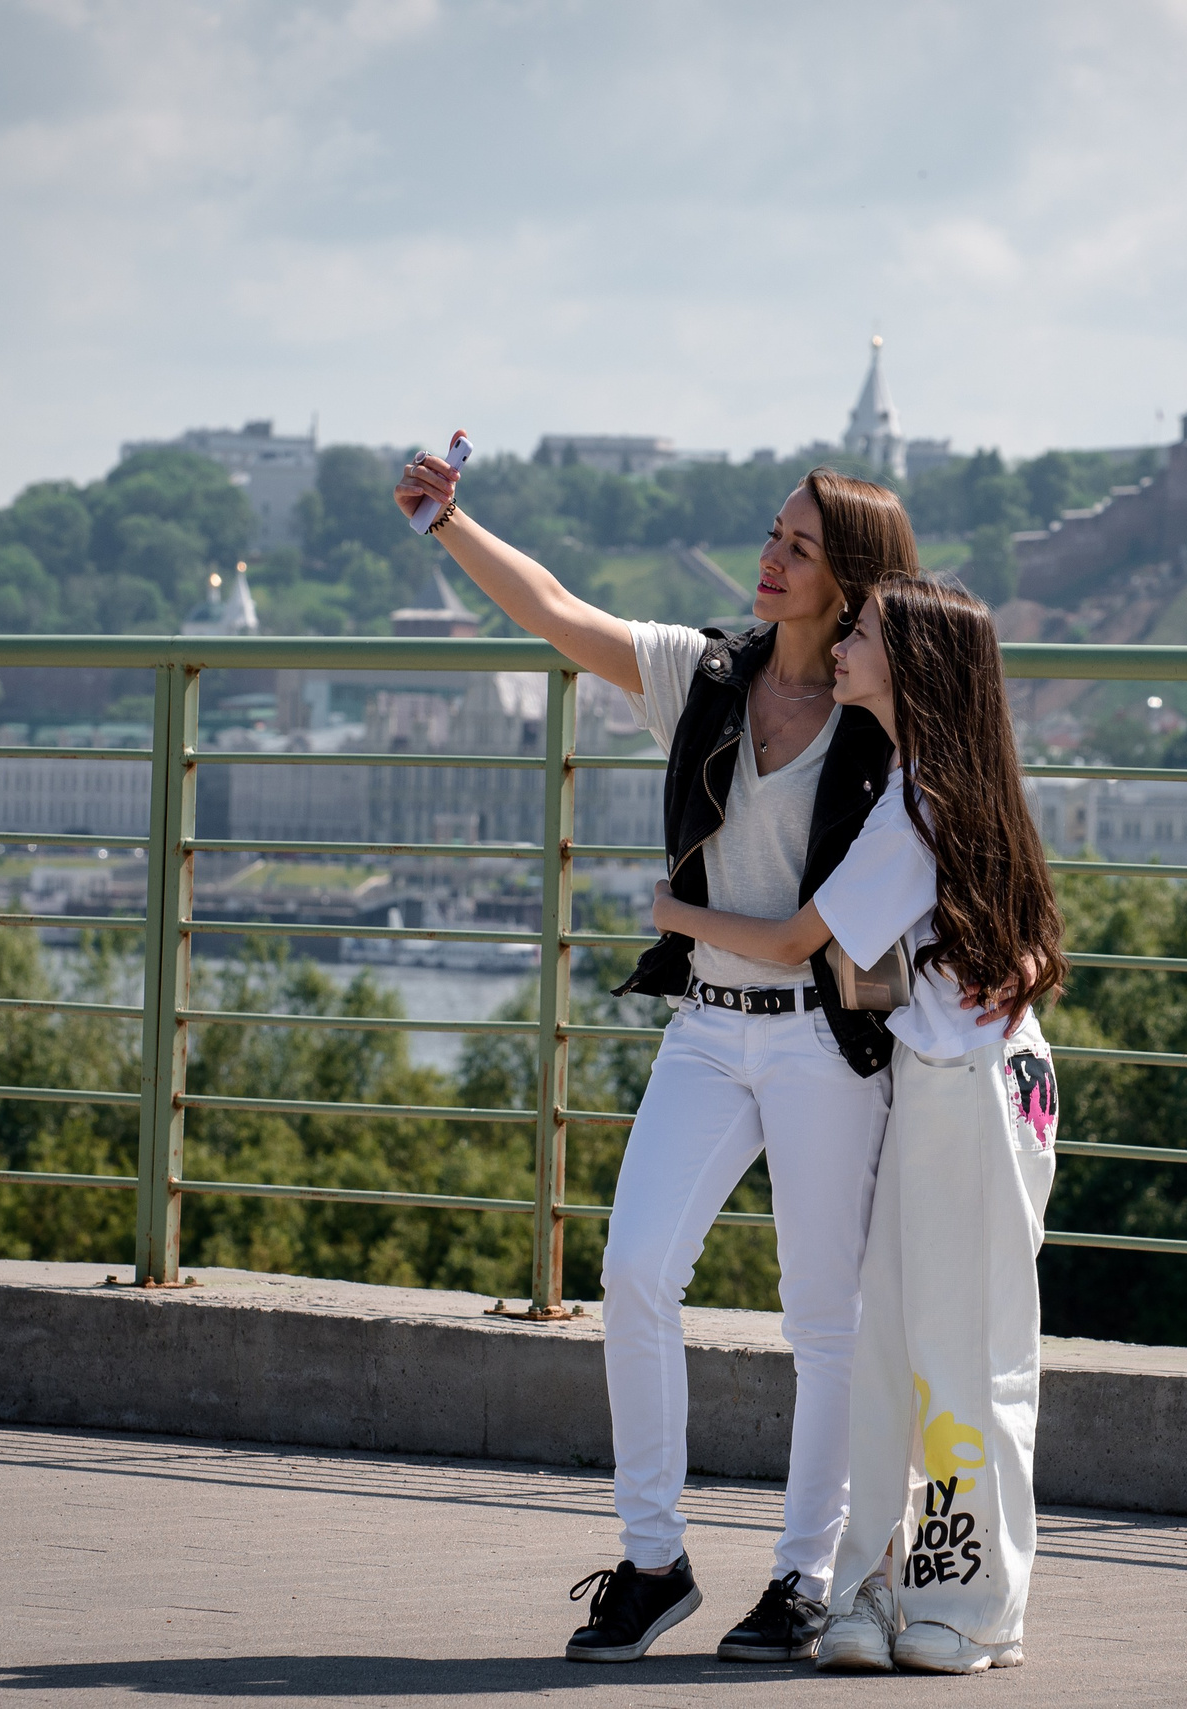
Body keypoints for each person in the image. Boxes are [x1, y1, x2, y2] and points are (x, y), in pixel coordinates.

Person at [393, 451, 1017, 1665]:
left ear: (852, 581)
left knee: (822, 1321)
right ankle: (652, 1559)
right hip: (707, 1028)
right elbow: (562, 614)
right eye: (771, 534)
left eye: (797, 545)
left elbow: (955, 822)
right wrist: (450, 525)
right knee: (631, 1270)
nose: (768, 559)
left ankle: (801, 1577)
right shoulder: (705, 675)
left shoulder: (881, 715)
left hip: (824, 1040)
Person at [649, 578, 1068, 1675]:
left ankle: (972, 1608)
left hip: (968, 1089)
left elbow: (795, 941)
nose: (843, 642)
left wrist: (674, 912)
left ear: (913, 664)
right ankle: (907, 1583)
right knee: (919, 1346)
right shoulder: (936, 782)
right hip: (962, 1080)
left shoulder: (919, 799)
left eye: (866, 633)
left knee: (960, 1352)